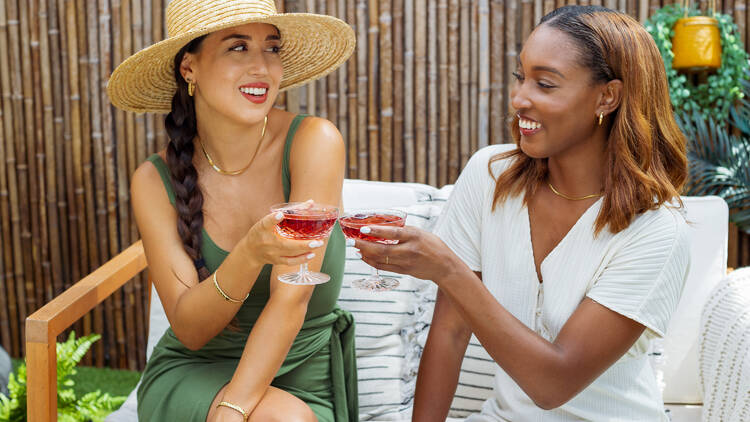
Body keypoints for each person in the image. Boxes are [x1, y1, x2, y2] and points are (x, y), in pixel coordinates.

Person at [355, 5, 690, 421]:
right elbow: (450, 330)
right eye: (521, 77)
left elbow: (554, 385)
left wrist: (450, 271)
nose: (519, 99)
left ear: (608, 96)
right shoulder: (490, 175)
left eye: (545, 84)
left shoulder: (657, 229)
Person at [107, 0, 356, 421]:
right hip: (197, 372)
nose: (262, 67)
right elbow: (190, 328)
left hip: (300, 375)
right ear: (189, 68)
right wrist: (249, 254)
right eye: (237, 47)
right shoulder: (154, 180)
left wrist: (234, 408)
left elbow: (290, 301)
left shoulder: (314, 141)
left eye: (271, 48)